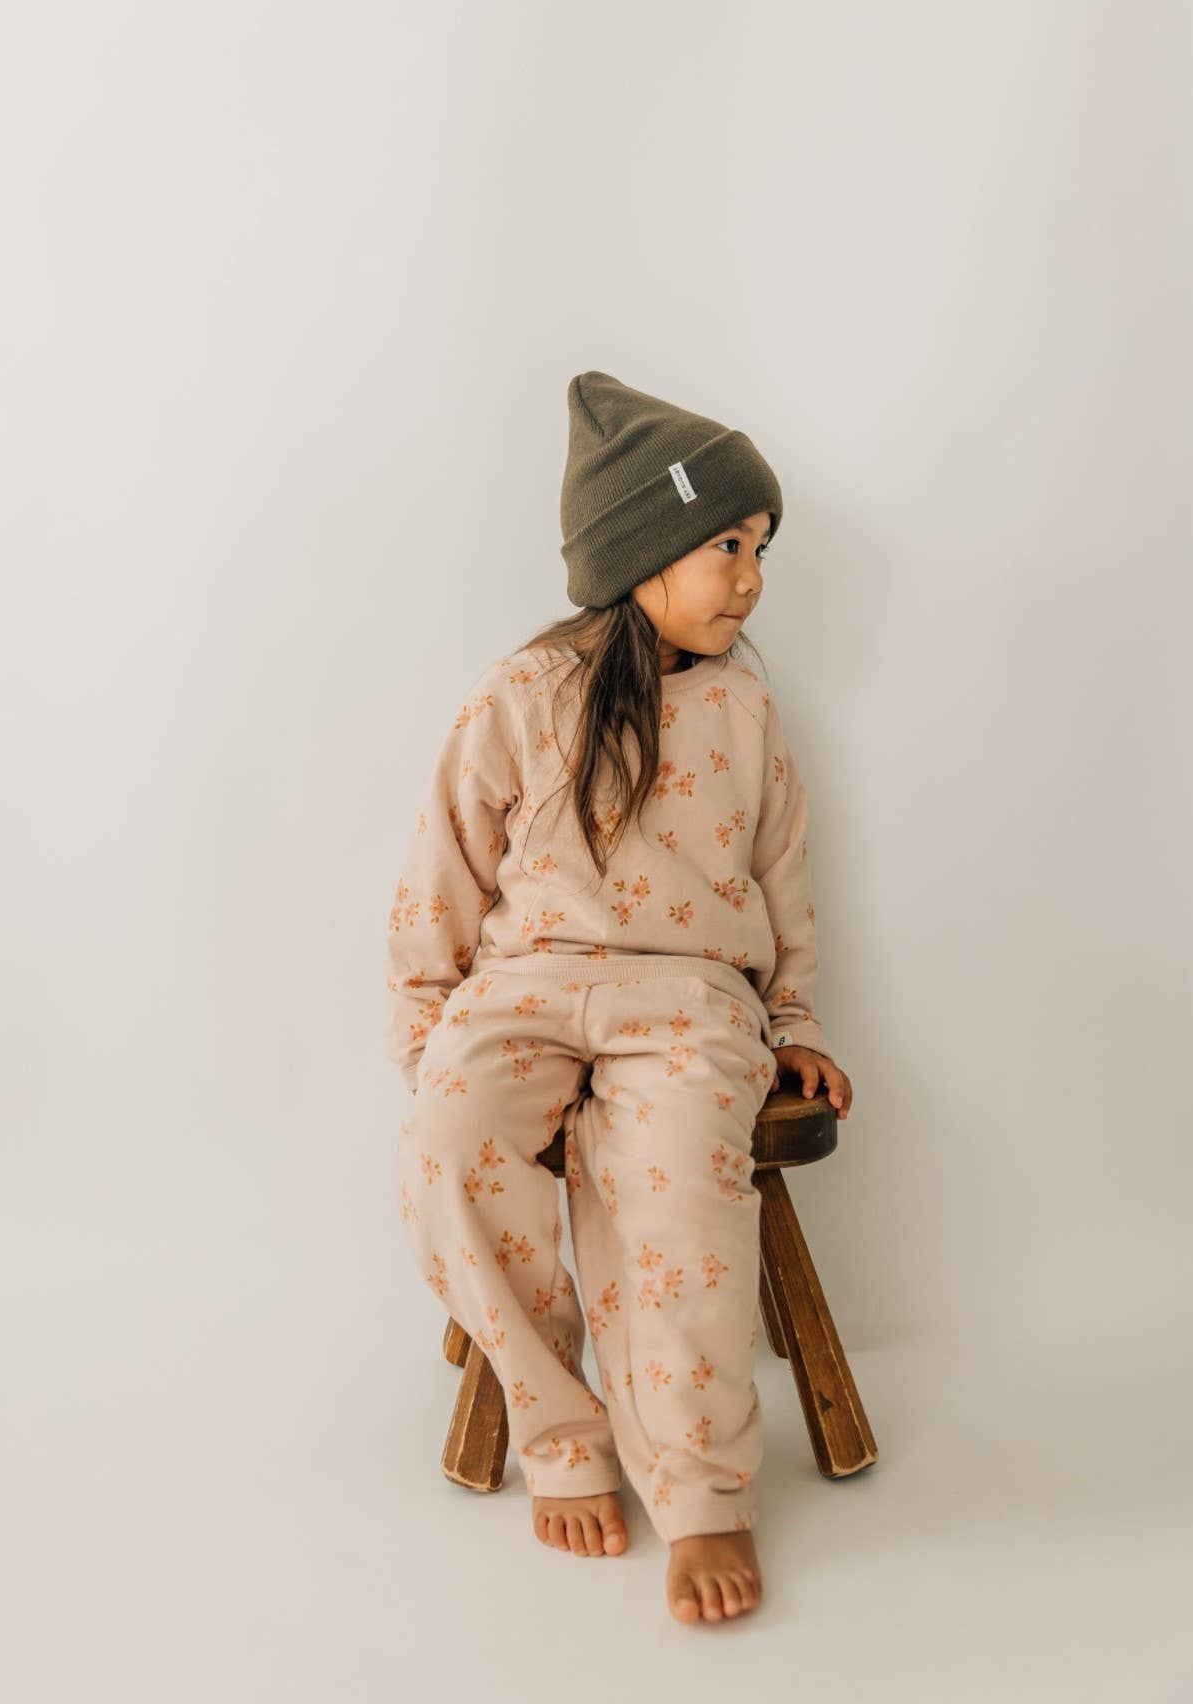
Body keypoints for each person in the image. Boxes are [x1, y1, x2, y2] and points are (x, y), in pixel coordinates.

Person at [385, 370, 854, 1625]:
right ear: (640, 551)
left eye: (761, 548)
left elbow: (784, 881)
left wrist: (795, 1025)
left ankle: (700, 1492)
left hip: (691, 999)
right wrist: (431, 1037)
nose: (751, 578)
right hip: (522, 988)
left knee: (685, 1191)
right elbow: (442, 869)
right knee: (445, 1149)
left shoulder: (745, 707)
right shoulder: (523, 693)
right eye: (725, 545)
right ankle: (563, 1434)